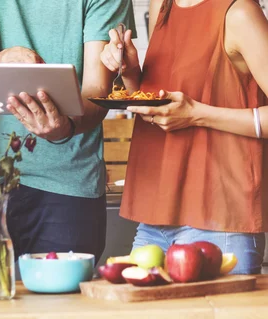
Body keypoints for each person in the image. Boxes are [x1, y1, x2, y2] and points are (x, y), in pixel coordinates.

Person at [0, 0, 136, 264]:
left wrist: (66, 127)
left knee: (63, 303)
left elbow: (97, 91)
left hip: (68, 184)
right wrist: (1, 58)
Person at [100, 0, 268, 274]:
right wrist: (130, 71)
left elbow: (188, 110)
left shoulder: (239, 12)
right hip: (156, 217)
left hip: (219, 221)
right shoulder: (162, 6)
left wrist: (198, 114)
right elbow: (161, 103)